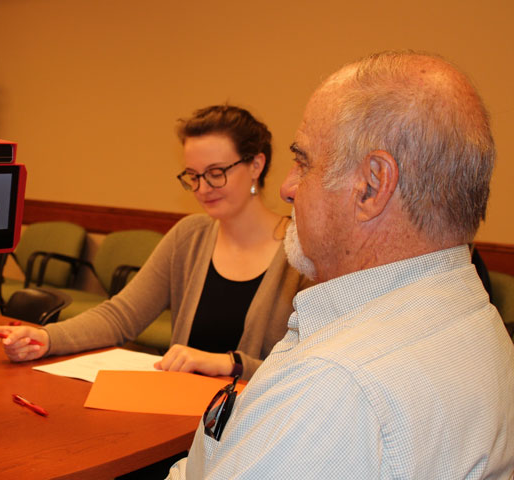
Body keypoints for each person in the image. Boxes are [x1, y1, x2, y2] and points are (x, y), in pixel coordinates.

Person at [168, 51, 514, 478]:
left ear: (371, 186)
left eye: (303, 162)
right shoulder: (480, 323)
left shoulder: (334, 388)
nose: (287, 188)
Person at [0, 105, 312, 380]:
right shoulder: (190, 236)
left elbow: (308, 367)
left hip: (250, 425)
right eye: (193, 176)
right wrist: (47, 337)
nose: (202, 188)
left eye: (216, 172)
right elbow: (122, 316)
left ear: (256, 164)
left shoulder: (301, 252)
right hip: (181, 418)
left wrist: (231, 364)